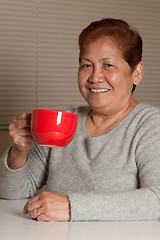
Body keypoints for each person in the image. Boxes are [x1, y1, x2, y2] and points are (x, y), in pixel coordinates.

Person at [0, 18, 160, 222]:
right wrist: (19, 151)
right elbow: (11, 193)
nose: (95, 77)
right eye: (86, 65)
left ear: (136, 73)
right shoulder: (62, 121)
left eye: (108, 65)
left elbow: (157, 199)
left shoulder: (150, 124)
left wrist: (71, 207)